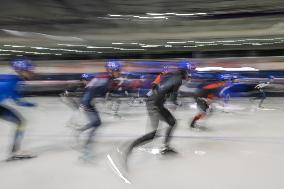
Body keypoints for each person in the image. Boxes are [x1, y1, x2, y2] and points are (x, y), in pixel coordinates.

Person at [74, 60, 122, 160]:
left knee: (97, 123)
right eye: (118, 70)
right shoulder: (104, 78)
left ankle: (81, 132)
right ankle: (86, 150)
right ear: (111, 70)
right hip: (87, 103)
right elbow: (90, 89)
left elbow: (98, 90)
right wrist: (86, 103)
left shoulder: (107, 78)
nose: (120, 72)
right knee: (96, 123)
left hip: (89, 102)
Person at [0, 59, 36, 161]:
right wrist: (32, 104)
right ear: (21, 71)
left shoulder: (11, 79)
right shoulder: (12, 82)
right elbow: (17, 101)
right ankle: (15, 151)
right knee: (21, 123)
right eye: (29, 71)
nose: (31, 73)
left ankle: (15, 151)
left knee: (20, 122)